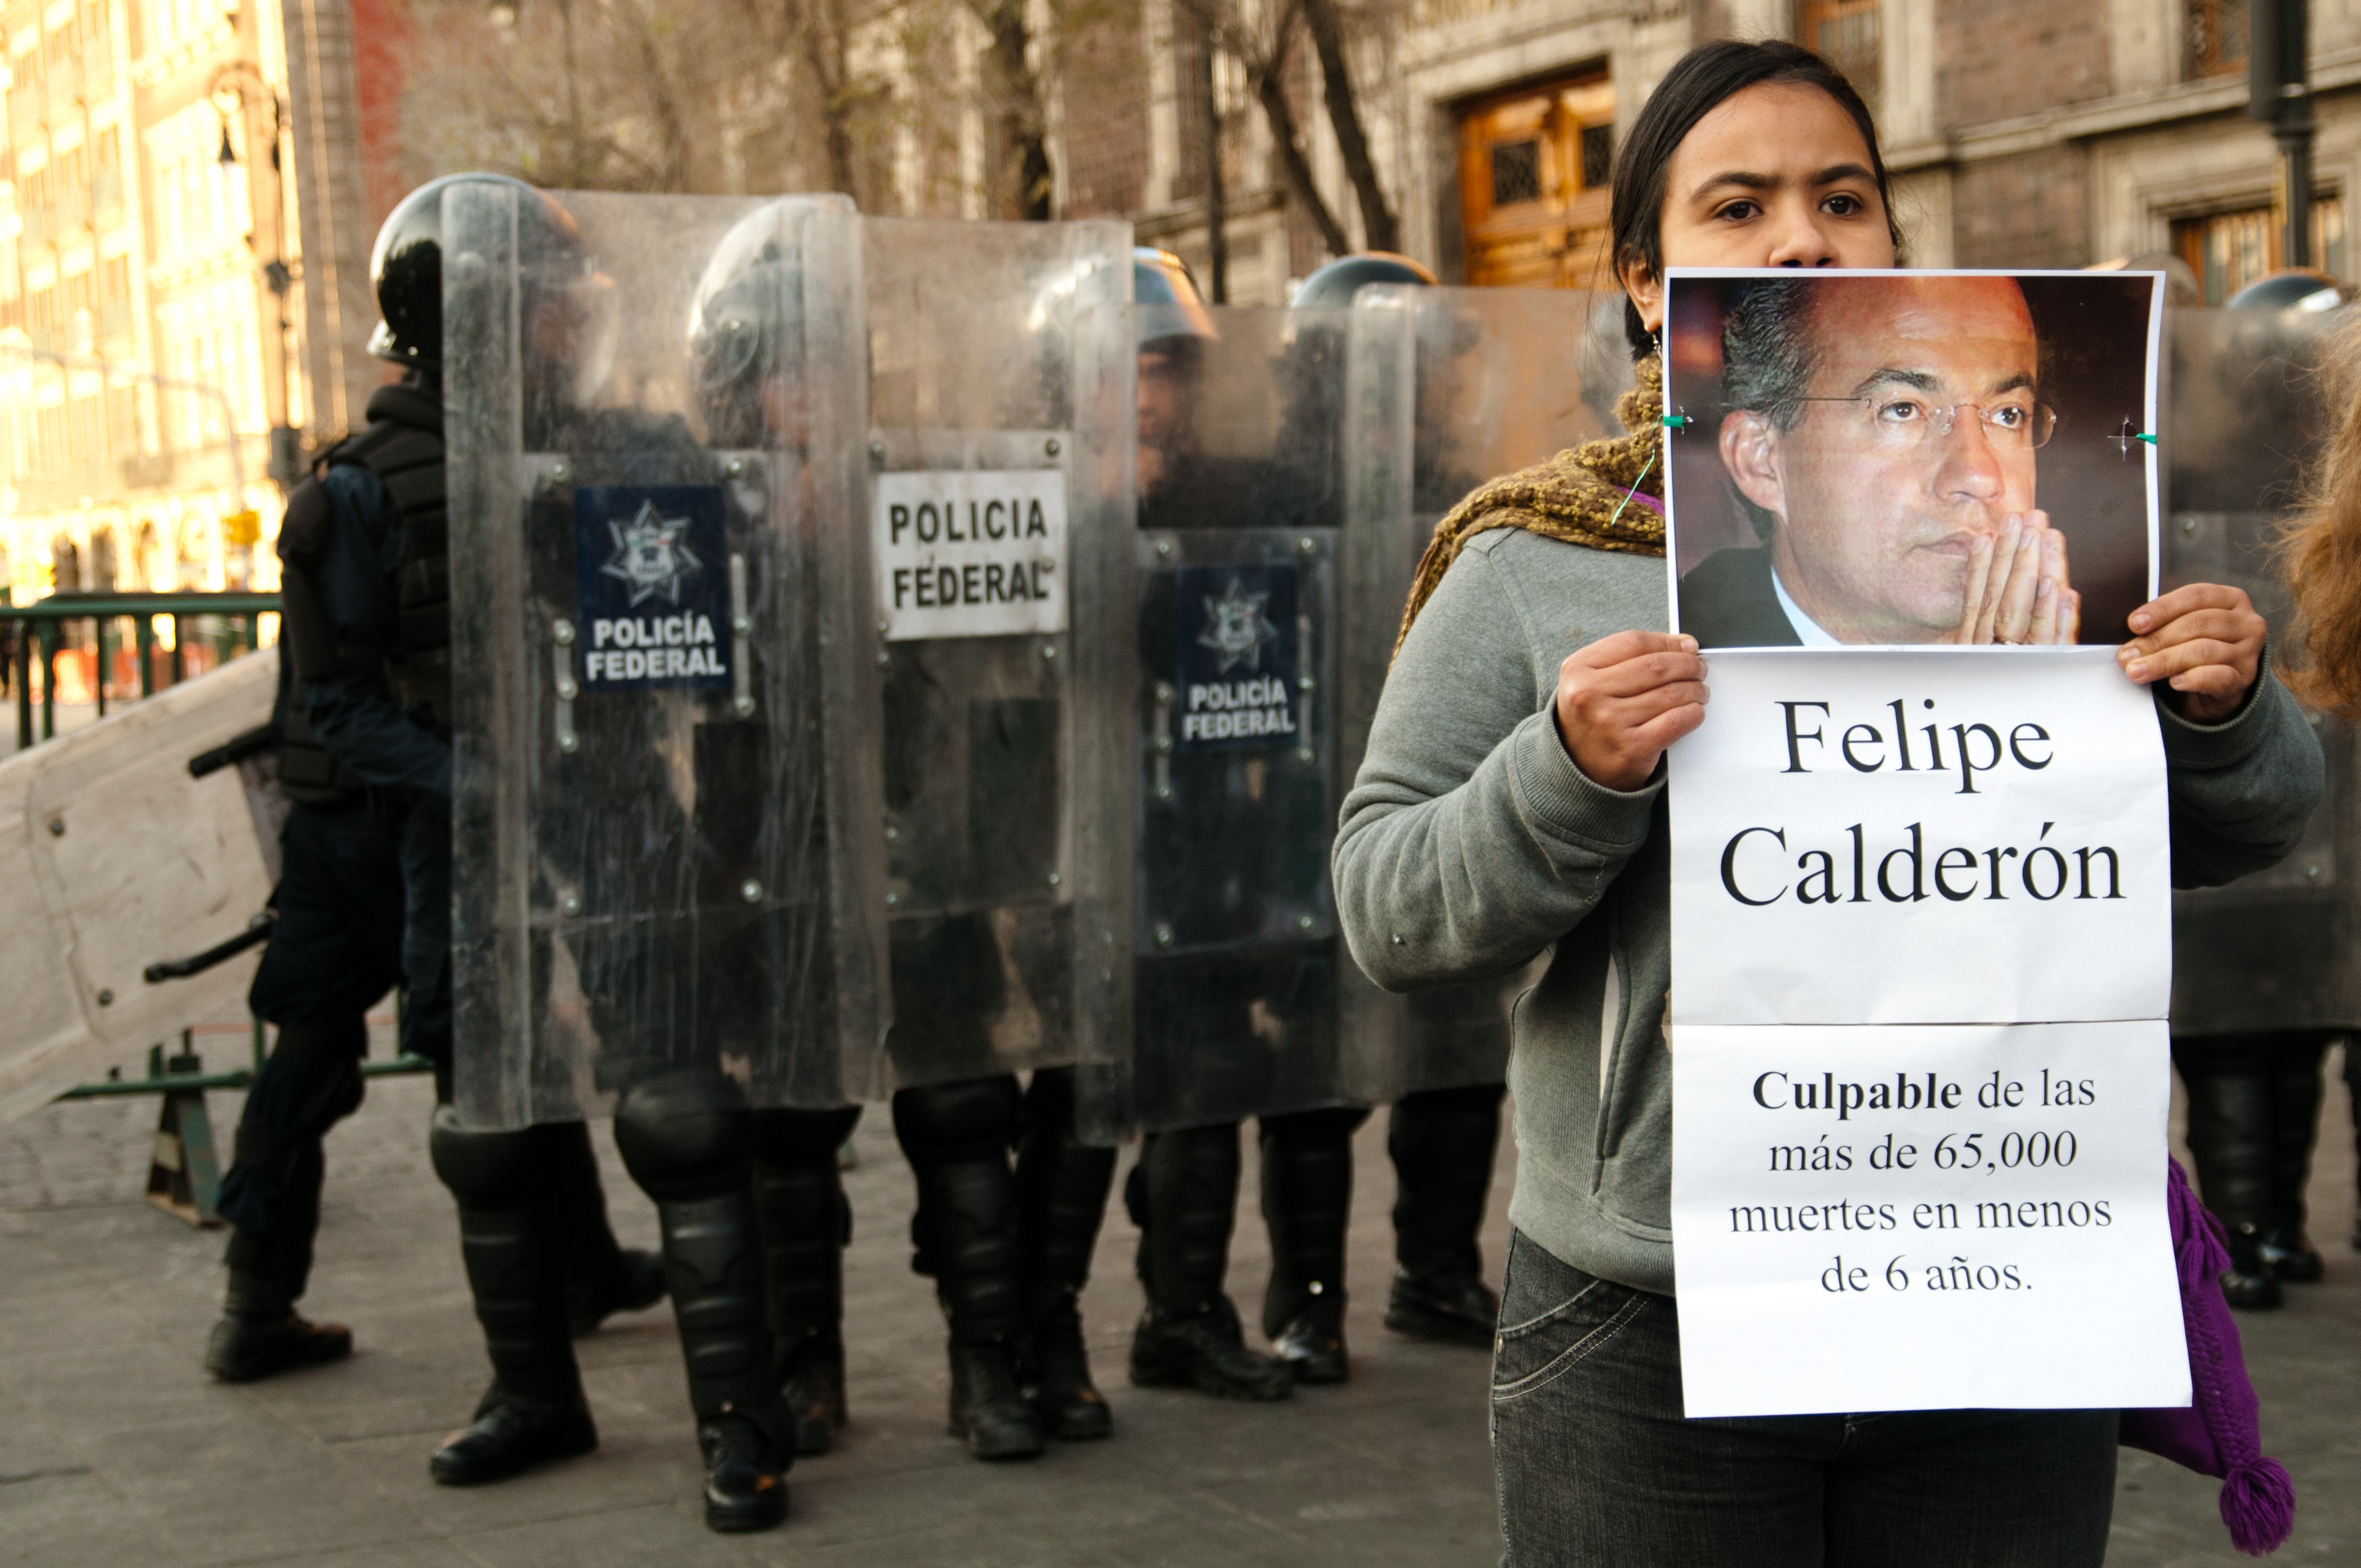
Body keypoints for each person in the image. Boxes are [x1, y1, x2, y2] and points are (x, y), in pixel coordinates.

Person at [1335, 39, 2321, 1568]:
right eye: (1737, 206)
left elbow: (2250, 826)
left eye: (1842, 197)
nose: (1801, 235)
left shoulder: (2061, 571)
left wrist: (2215, 715)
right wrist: (1569, 768)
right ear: (1647, 280)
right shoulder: (1535, 558)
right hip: (1651, 1312)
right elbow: (1387, 905)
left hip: (2004, 1269)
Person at [1680, 272, 2079, 648]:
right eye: (1902, 410)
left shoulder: (2113, 669)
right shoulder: (1670, 656)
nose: (1978, 476)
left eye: (2008, 415)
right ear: (1762, 460)